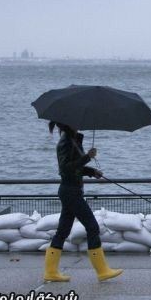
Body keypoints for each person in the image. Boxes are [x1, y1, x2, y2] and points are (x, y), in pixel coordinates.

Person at [43, 121, 123, 282]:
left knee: (63, 231)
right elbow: (65, 169)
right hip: (70, 192)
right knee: (92, 227)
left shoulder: (72, 140)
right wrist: (87, 157)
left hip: (71, 191)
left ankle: (51, 272)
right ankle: (102, 271)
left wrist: (92, 171)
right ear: (68, 123)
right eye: (75, 122)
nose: (78, 124)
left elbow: (75, 168)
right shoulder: (66, 142)